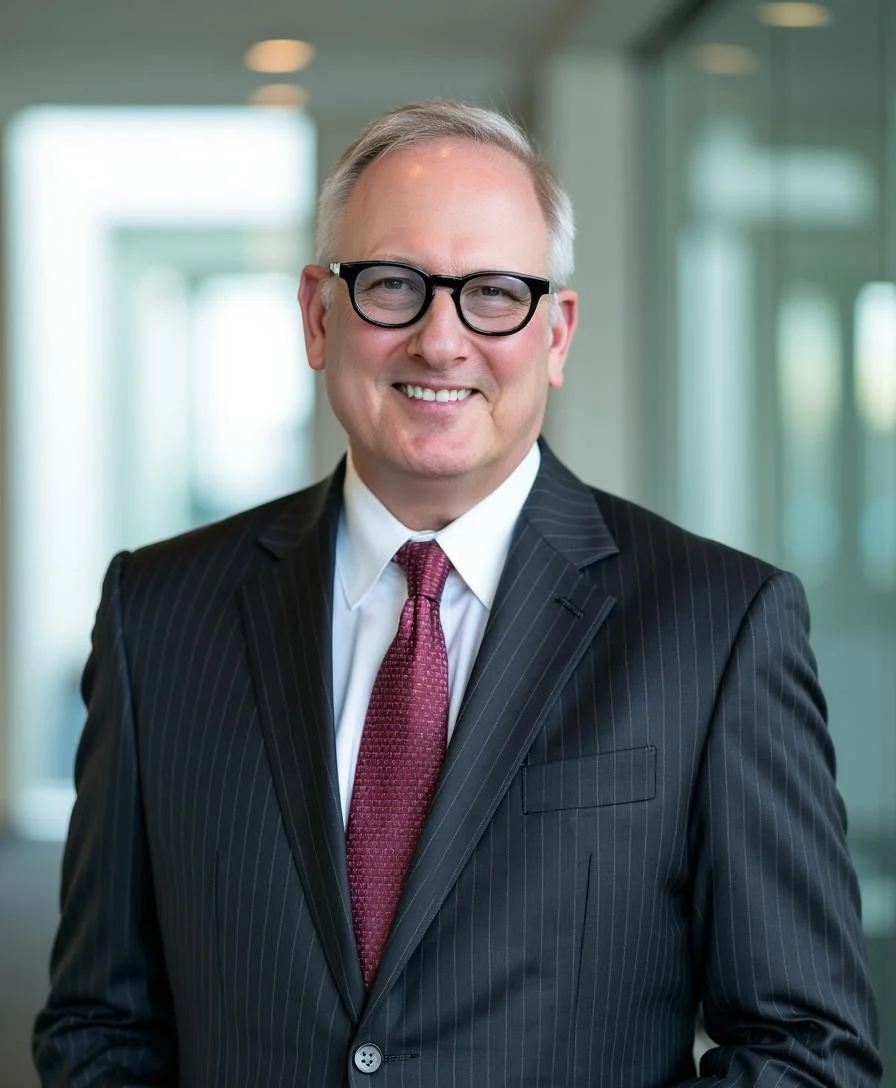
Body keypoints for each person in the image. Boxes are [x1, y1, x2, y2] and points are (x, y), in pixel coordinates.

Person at [34, 100, 881, 1087]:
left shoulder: (716, 626)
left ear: (556, 333)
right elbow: (101, 1023)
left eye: (493, 293)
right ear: (318, 313)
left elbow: (806, 1051)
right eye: (393, 284)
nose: (440, 342)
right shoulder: (159, 613)